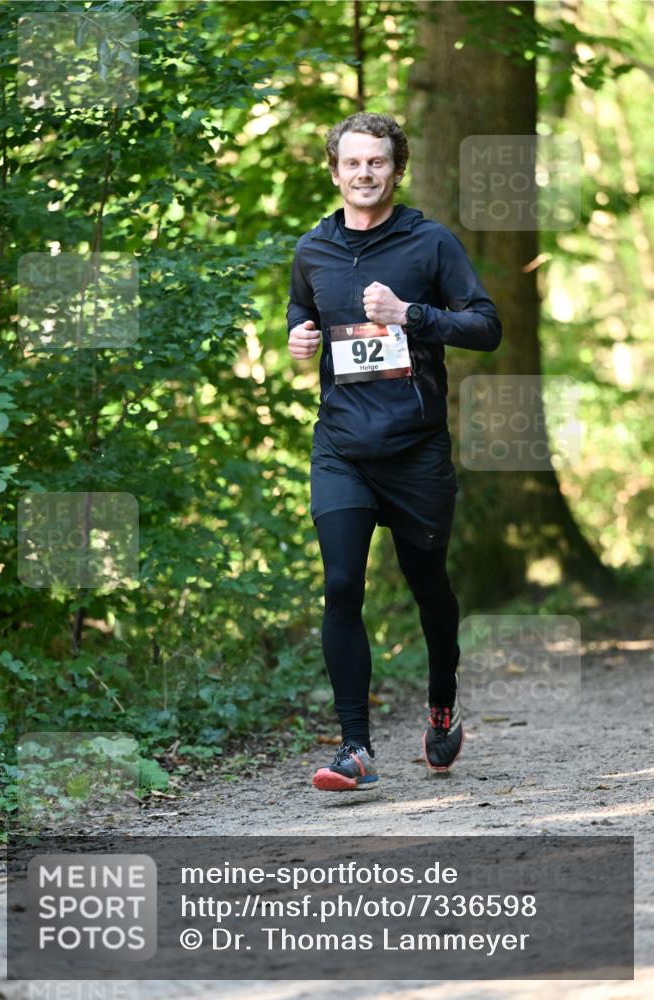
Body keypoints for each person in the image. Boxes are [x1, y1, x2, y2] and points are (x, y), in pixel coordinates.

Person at [286, 112, 502, 792]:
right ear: (334, 171)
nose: (364, 172)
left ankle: (442, 703)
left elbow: (486, 326)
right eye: (352, 163)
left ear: (395, 169)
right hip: (341, 446)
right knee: (341, 584)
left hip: (414, 451)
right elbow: (301, 312)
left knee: (427, 587)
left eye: (376, 162)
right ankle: (354, 748)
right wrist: (297, 338)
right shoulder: (312, 249)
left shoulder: (427, 243)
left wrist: (411, 314)